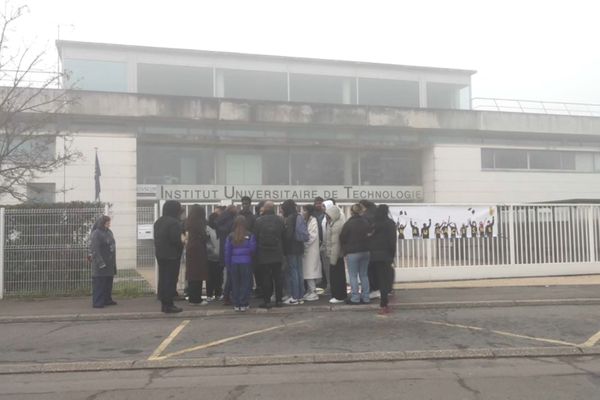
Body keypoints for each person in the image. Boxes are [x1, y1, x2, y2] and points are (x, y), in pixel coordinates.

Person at [254, 201, 286, 308]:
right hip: (277, 252)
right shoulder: (280, 220)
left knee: (265, 278)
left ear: (264, 208)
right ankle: (279, 300)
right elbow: (283, 234)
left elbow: (256, 236)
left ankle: (267, 301)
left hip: (263, 253)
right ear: (273, 208)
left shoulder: (259, 220)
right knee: (278, 277)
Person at [154, 200, 184, 313]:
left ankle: (164, 302)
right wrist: (182, 243)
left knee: (163, 278)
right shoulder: (174, 223)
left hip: (161, 254)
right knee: (170, 280)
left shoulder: (158, 222)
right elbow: (175, 239)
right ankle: (169, 304)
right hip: (172, 254)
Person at [340, 203, 371, 304]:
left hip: (352, 252)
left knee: (353, 276)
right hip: (366, 251)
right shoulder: (366, 222)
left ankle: (355, 298)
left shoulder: (349, 223)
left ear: (351, 212)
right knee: (364, 275)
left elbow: (342, 237)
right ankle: (366, 297)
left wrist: (345, 249)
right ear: (361, 211)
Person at [224, 216, 256, 311]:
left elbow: (227, 252)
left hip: (234, 263)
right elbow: (253, 249)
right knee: (245, 284)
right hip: (246, 262)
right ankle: (244, 303)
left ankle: (236, 304)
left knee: (235, 284)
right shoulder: (250, 235)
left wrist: (228, 264)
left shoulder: (230, 236)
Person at [369, 205, 397, 315]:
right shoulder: (389, 223)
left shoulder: (373, 223)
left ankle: (381, 300)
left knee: (378, 279)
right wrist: (392, 256)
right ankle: (384, 304)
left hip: (373, 255)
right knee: (385, 280)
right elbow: (392, 241)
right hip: (385, 255)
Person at [281, 199, 305, 305]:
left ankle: (295, 297)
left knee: (293, 272)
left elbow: (288, 235)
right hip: (299, 246)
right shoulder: (298, 215)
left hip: (291, 248)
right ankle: (300, 296)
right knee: (299, 272)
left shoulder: (290, 218)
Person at [184, 205, 209, 305]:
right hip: (198, 249)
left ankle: (191, 297)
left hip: (190, 249)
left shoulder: (188, 222)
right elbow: (204, 236)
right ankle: (196, 299)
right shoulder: (199, 223)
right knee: (198, 275)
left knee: (192, 275)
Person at [90, 215, 116, 308]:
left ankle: (107, 299)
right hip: (100, 264)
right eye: (107, 222)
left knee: (108, 282)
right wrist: (100, 262)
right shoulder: (96, 233)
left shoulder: (109, 232)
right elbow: (95, 249)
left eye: (109, 222)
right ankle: (98, 302)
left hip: (109, 263)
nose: (109, 223)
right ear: (103, 223)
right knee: (99, 283)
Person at [325, 203, 347, 304]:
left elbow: (335, 244)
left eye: (328, 215)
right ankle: (339, 295)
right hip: (336, 255)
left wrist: (332, 258)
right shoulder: (334, 223)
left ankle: (338, 296)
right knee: (337, 276)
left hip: (336, 256)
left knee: (336, 277)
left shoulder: (336, 225)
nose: (327, 217)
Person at [216, 205, 238, 305]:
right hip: (232, 251)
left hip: (224, 250)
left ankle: (226, 295)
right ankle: (228, 295)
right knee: (231, 275)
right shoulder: (231, 222)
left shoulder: (221, 221)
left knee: (228, 275)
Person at [302, 204, 322, 301]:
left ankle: (313, 292)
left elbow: (312, 235)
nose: (303, 212)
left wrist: (304, 244)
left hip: (311, 250)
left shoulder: (313, 220)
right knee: (307, 271)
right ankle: (310, 291)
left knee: (310, 271)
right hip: (308, 250)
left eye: (305, 211)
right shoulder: (307, 220)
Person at [206, 211, 222, 300]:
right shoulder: (207, 229)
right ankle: (209, 294)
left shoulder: (219, 228)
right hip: (210, 257)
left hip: (218, 257)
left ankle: (218, 293)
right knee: (210, 277)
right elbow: (206, 243)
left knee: (218, 277)